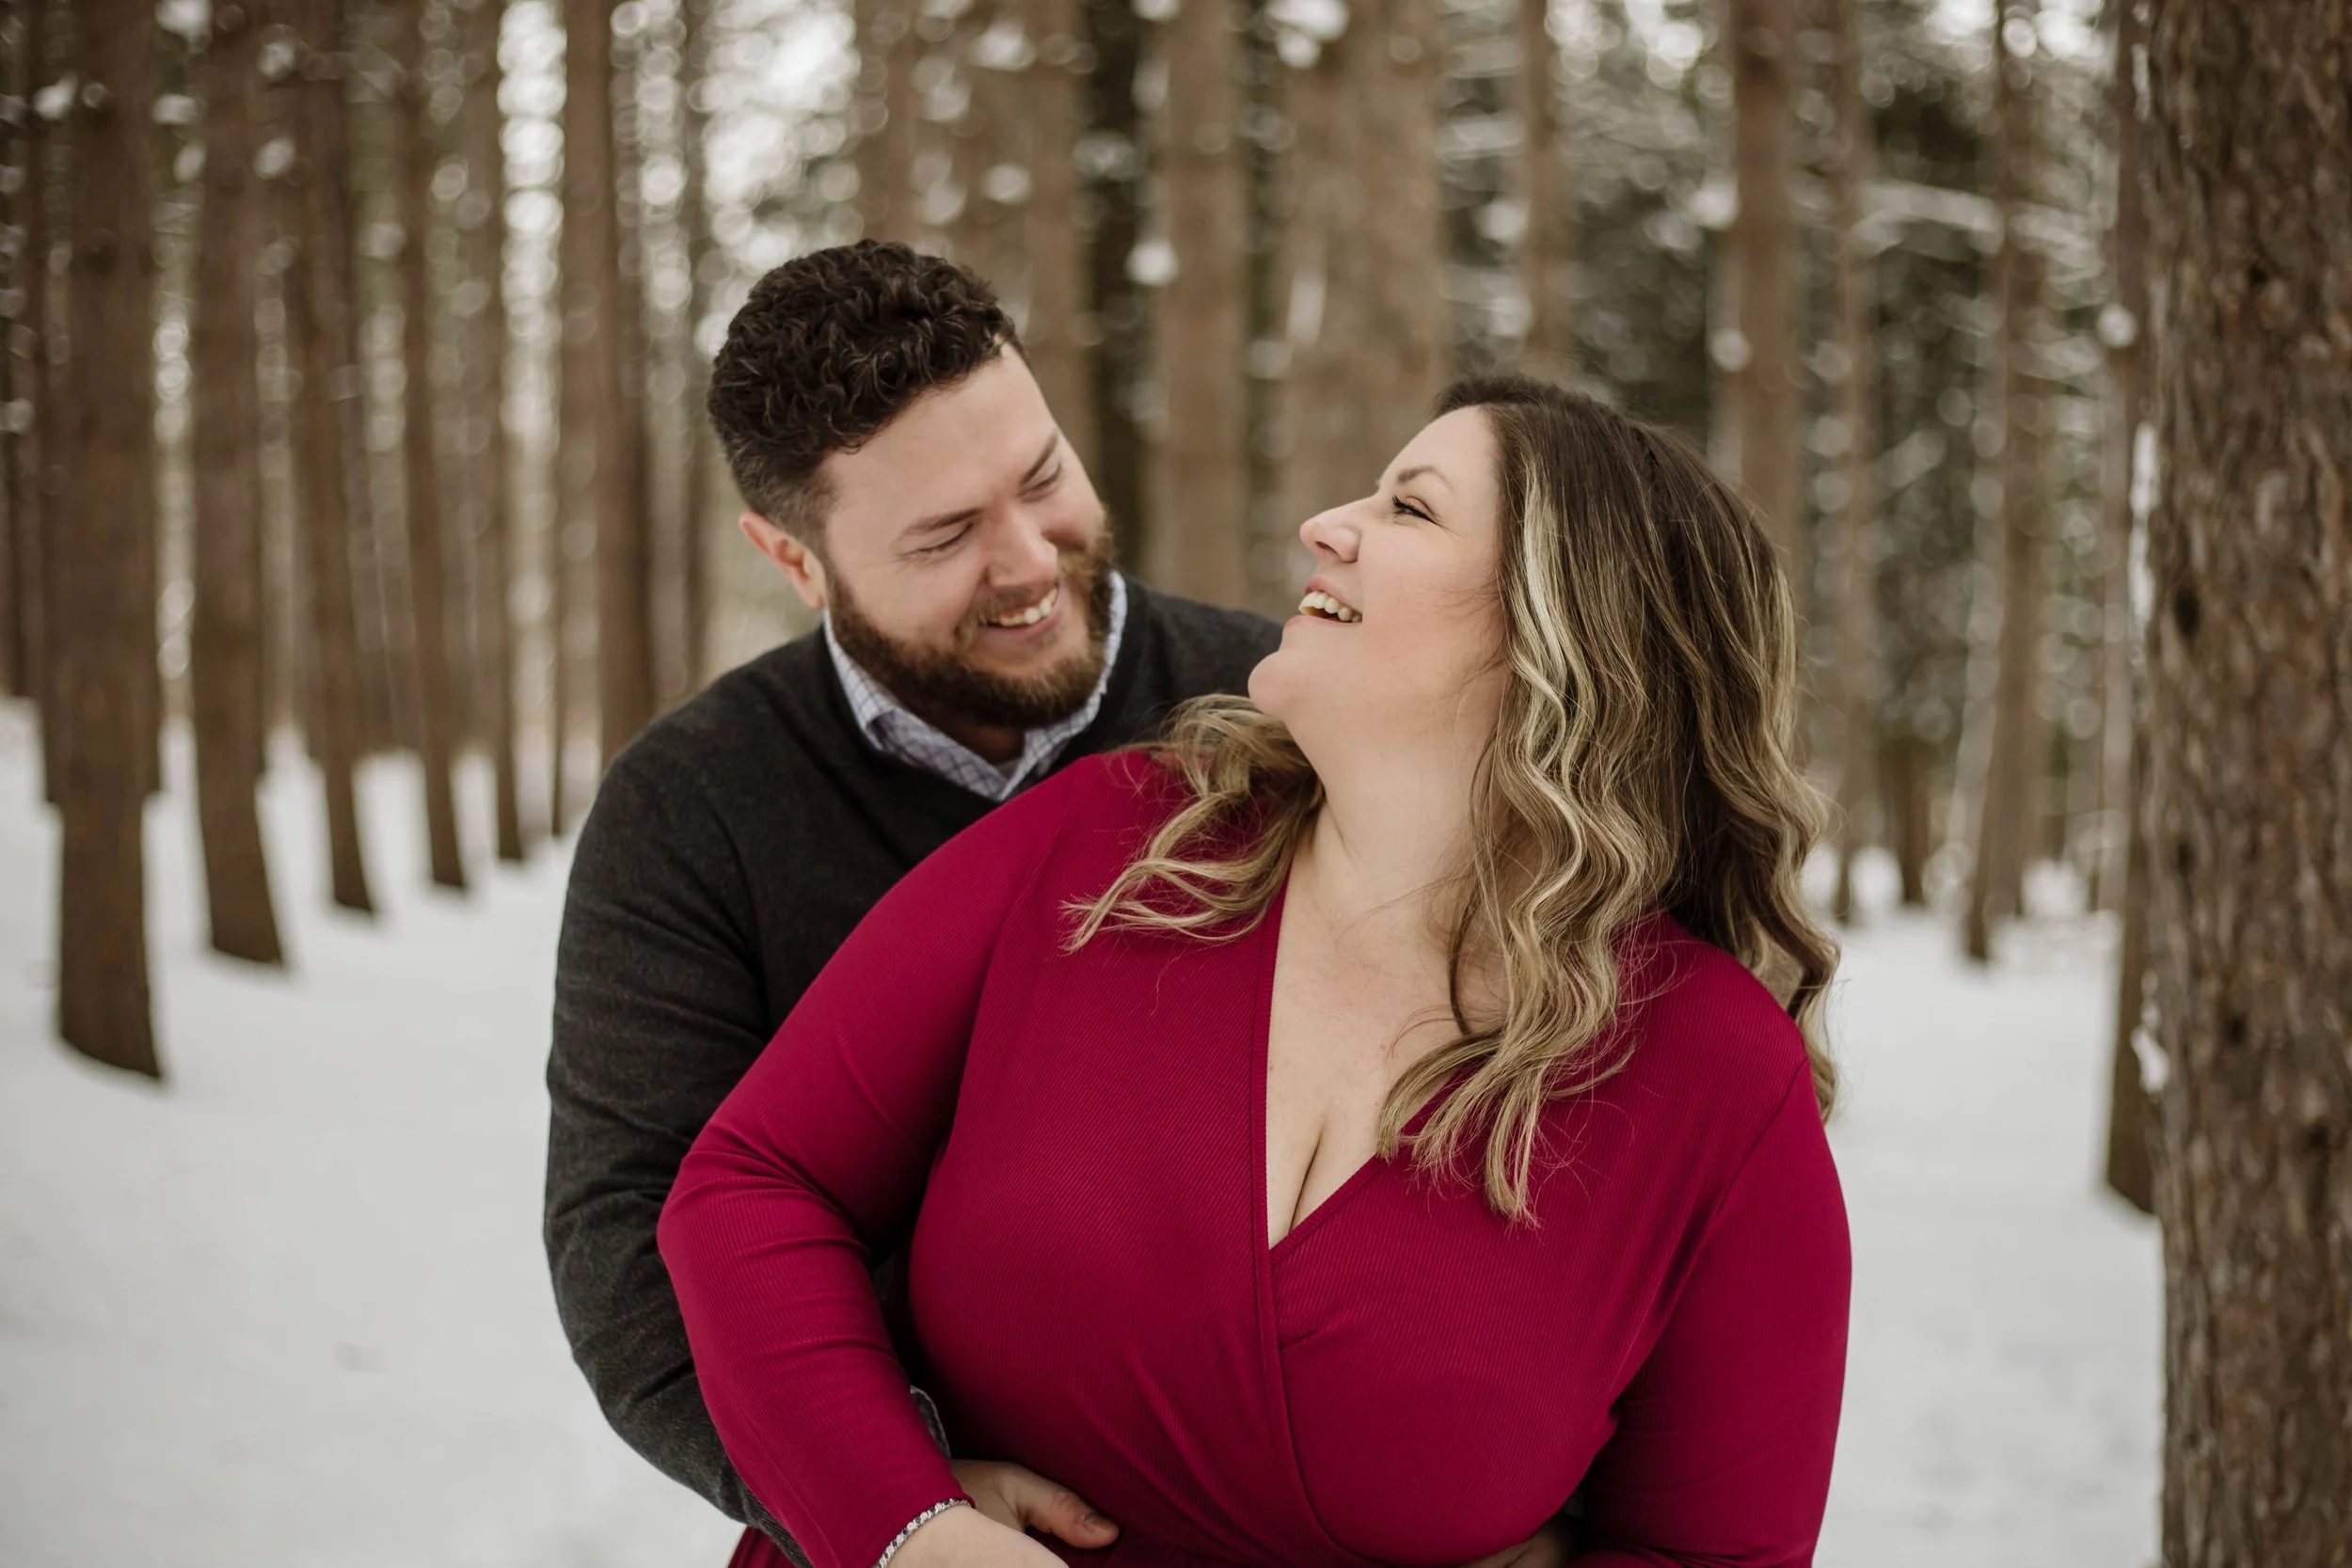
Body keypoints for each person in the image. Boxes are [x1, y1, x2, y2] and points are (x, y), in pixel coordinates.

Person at [658, 374, 1854, 1568]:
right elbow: (754, 1183)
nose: (1324, 525)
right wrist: (905, 1526)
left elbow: (1712, 1551)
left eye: (1409, 508)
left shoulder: (1710, 1077)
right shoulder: (1106, 843)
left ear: (1565, 631)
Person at [546, 243, 1576, 1567]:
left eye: (1041, 477)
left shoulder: (1286, 707)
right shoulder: (690, 809)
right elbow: (633, 1229)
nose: (1030, 557)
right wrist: (894, 1486)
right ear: (792, 559)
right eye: (943, 534)